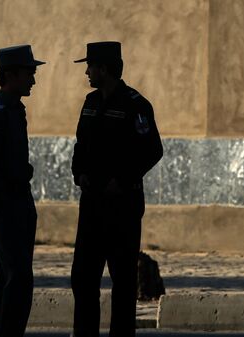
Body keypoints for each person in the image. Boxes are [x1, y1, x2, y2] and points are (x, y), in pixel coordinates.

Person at [70, 41, 163, 337]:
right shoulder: (91, 102)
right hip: (92, 205)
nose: (87, 72)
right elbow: (80, 145)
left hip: (122, 206)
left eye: (91, 66)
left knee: (123, 283)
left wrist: (121, 180)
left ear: (105, 69)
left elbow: (152, 150)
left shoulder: (135, 104)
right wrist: (79, 173)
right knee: (83, 279)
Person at [0, 45, 45, 337]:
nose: (33, 80)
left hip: (18, 203)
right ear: (10, 75)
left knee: (9, 275)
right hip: (6, 207)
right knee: (18, 278)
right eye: (29, 74)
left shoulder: (14, 110)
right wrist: (5, 203)